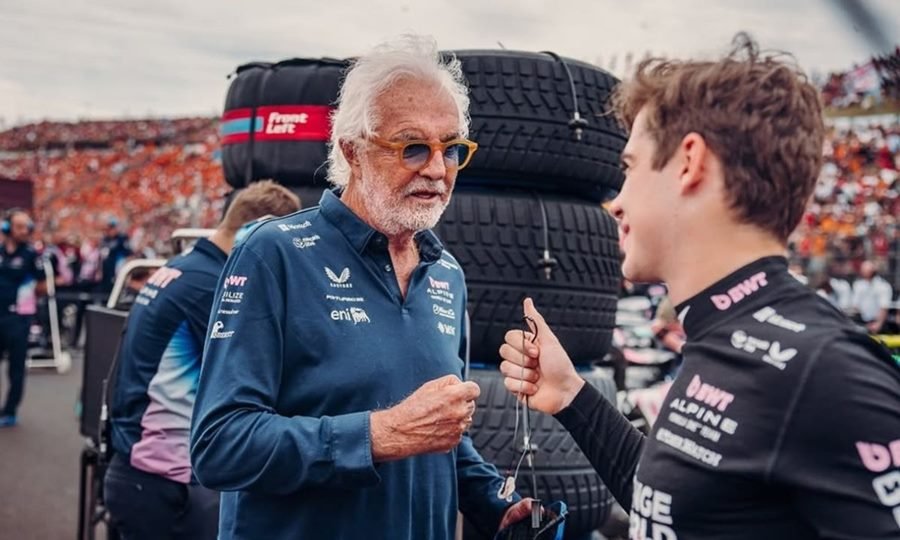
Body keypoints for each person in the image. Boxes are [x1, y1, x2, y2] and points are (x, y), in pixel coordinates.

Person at [499, 36, 900, 539]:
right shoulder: (723, 334)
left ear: (689, 162)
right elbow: (671, 507)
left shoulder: (825, 369)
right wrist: (570, 396)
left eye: (629, 168)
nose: (617, 202)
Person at [190, 36, 532, 540]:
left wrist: (492, 501)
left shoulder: (446, 274)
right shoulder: (274, 252)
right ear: (353, 150)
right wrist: (378, 436)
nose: (437, 170)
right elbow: (219, 446)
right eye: (413, 146)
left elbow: (436, 434)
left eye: (452, 148)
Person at [104, 181, 300, 540]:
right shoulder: (213, 286)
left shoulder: (185, 267)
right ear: (257, 232)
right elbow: (276, 378)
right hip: (166, 481)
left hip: (139, 468)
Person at [0, 209, 45, 428]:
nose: (24, 230)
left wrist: (26, 300)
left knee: (16, 368)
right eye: (19, 226)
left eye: (27, 226)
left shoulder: (31, 254)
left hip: (19, 319)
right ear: (7, 228)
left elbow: (42, 284)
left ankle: (10, 411)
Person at [850, 260, 894, 334]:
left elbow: (884, 307)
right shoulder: (858, 285)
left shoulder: (883, 286)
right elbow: (855, 306)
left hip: (878, 323)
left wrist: (878, 324)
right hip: (862, 322)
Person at [99, 217, 132, 295]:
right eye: (109, 228)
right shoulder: (105, 239)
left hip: (118, 266)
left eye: (112, 228)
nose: (110, 230)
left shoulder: (122, 238)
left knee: (118, 284)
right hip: (107, 267)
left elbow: (128, 253)